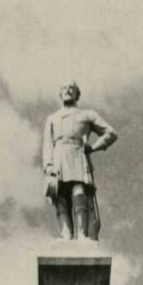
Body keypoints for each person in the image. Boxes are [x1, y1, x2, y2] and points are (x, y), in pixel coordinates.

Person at [42, 82, 117, 241]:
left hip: (78, 155)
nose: (67, 90)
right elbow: (48, 144)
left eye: (71, 88)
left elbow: (110, 133)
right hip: (58, 156)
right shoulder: (52, 118)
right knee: (60, 196)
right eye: (63, 87)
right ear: (60, 93)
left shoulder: (87, 115)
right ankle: (66, 234)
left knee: (79, 193)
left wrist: (94, 147)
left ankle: (82, 234)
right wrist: (48, 166)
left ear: (77, 93)